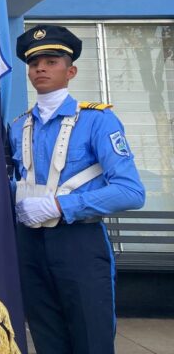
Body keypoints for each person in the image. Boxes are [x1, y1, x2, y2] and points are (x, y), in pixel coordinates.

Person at [10, 24, 146, 354]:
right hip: (30, 242)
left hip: (78, 240)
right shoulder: (18, 126)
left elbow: (131, 191)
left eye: (51, 61)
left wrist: (61, 206)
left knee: (91, 337)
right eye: (34, 63)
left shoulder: (97, 120)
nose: (40, 68)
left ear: (70, 71)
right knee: (46, 337)